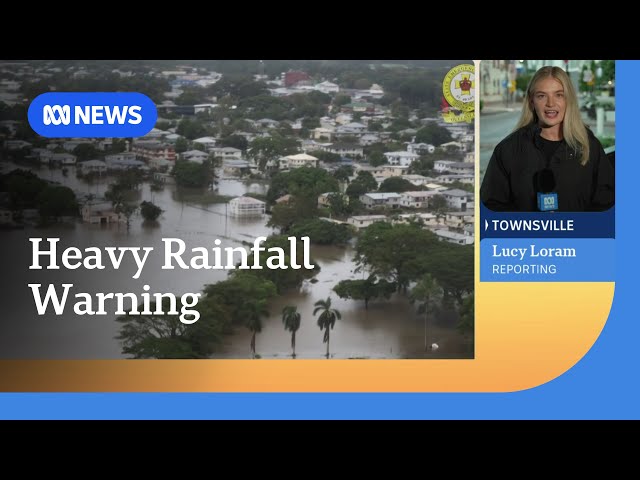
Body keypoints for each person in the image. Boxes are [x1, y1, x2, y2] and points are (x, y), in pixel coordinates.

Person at [480, 66, 614, 212]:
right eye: (541, 96)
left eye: (558, 95)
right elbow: (492, 208)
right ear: (532, 102)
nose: (551, 103)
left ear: (568, 100)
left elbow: (606, 204)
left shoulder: (589, 145)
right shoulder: (507, 150)